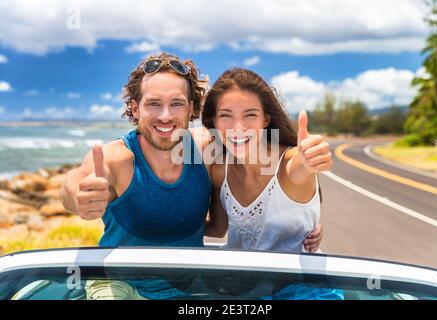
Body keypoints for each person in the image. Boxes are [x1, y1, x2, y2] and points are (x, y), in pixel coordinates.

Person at [60, 53, 323, 300]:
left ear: (191, 109)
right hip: (120, 284)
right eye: (153, 104)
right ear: (135, 108)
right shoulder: (117, 159)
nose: (165, 116)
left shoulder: (205, 149)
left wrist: (304, 222)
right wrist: (78, 196)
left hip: (186, 288)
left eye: (176, 104)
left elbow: (269, 165)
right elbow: (77, 180)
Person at [201, 68, 343, 299]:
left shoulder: (289, 164)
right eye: (226, 115)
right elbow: (218, 229)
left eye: (250, 114)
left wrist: (308, 159)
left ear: (266, 119)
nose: (238, 127)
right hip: (244, 289)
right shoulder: (219, 169)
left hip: (303, 289)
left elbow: (298, 167)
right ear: (214, 121)